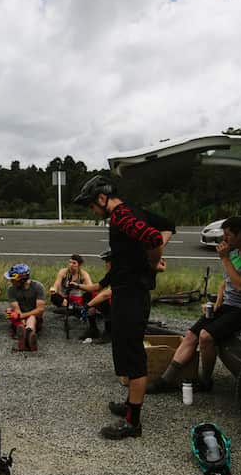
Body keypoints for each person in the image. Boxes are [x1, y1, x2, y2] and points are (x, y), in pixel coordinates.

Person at [72, 175, 175, 440]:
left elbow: (154, 238)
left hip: (132, 295)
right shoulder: (132, 211)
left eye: (92, 206)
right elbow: (168, 225)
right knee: (126, 353)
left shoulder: (122, 217)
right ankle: (131, 404)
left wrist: (152, 262)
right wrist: (148, 263)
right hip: (128, 292)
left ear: (103, 198)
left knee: (133, 357)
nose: (93, 212)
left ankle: (133, 422)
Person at [145, 216, 241, 396]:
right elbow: (224, 283)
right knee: (190, 335)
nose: (224, 239)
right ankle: (165, 380)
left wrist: (225, 259)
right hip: (227, 305)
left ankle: (205, 381)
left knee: (206, 337)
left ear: (240, 234)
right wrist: (217, 304)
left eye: (228, 235)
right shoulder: (234, 253)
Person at [50, 253, 99, 339]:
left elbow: (91, 287)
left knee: (92, 294)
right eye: (70, 262)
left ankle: (77, 309)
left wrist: (79, 285)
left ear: (79, 265)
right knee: (53, 296)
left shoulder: (83, 274)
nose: (71, 265)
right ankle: (75, 309)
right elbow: (56, 284)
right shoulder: (63, 272)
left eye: (74, 263)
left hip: (77, 299)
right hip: (64, 298)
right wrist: (53, 290)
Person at [5, 263, 46, 351]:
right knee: (12, 312)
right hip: (19, 317)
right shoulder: (11, 289)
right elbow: (17, 310)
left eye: (13, 279)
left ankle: (27, 334)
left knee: (32, 317)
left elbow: (40, 310)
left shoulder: (38, 287)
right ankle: (27, 336)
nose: (11, 281)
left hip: (35, 317)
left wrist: (21, 316)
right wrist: (21, 319)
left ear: (22, 279)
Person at [85, 248, 114, 343]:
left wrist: (87, 306)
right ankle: (93, 329)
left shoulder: (122, 274)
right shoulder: (112, 274)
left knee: (102, 302)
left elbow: (106, 294)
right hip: (118, 300)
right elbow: (97, 287)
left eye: (107, 262)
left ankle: (109, 332)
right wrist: (78, 286)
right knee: (88, 295)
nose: (106, 264)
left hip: (127, 302)